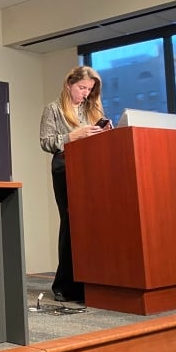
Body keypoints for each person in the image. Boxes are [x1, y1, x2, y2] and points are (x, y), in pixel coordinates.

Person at [39, 65, 110, 303]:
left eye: (89, 89)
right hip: (65, 168)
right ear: (69, 84)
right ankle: (65, 285)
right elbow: (46, 142)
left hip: (92, 169)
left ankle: (92, 280)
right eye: (81, 88)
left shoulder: (93, 109)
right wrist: (73, 136)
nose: (85, 93)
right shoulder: (54, 109)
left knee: (93, 225)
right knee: (71, 223)